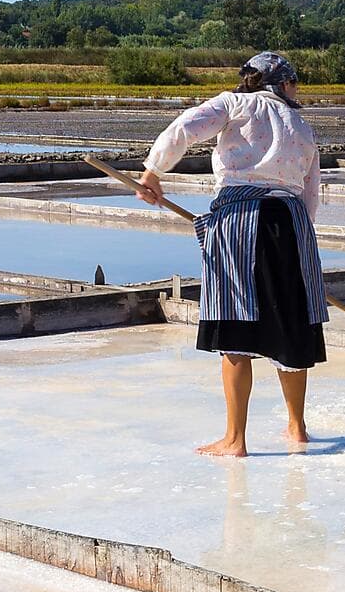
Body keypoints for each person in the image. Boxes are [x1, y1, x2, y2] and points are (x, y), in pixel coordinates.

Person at [137, 51, 326, 457]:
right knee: (292, 326)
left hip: (241, 219)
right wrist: (298, 249)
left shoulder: (235, 103)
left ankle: (235, 440)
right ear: (283, 83)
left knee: (236, 325)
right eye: (295, 84)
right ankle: (297, 429)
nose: (296, 91)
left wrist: (154, 171)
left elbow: (185, 128)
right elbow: (310, 191)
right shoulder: (301, 125)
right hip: (291, 222)